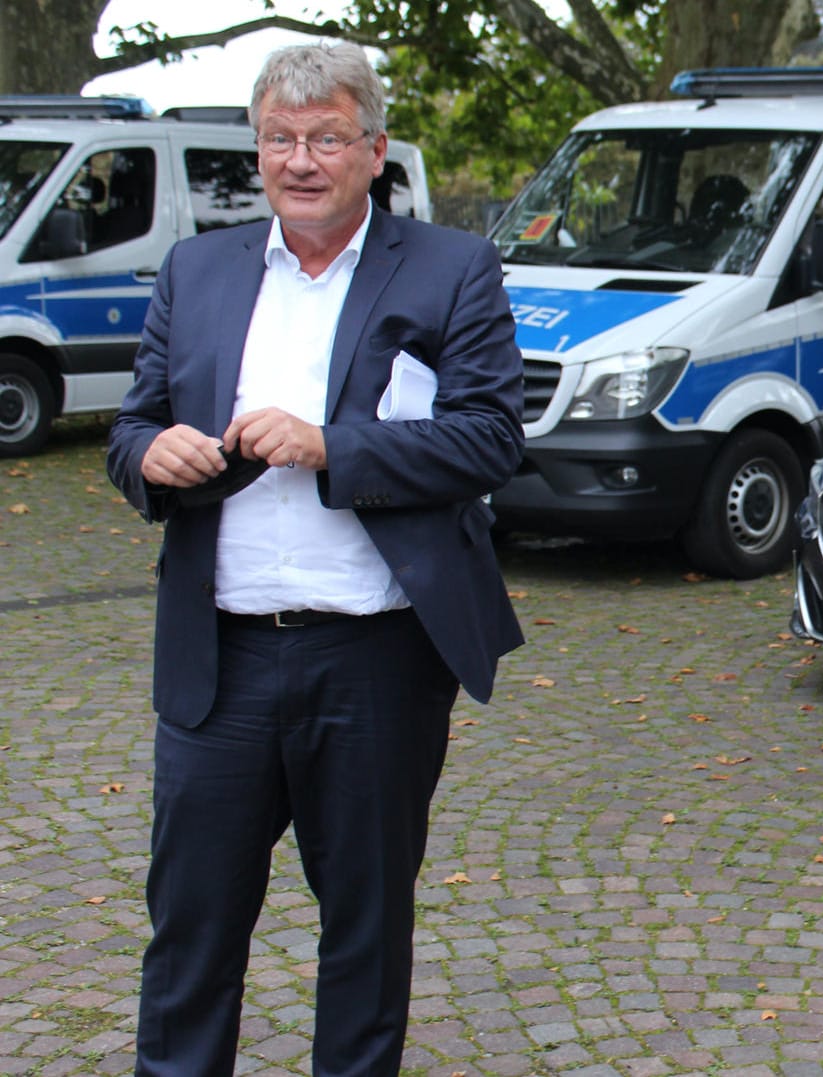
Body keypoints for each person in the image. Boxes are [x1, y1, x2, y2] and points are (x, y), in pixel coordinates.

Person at [104, 42, 525, 1077]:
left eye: (327, 137)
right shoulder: (198, 269)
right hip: (222, 662)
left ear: (373, 151)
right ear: (257, 150)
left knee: (366, 935)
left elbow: (491, 439)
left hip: (376, 661)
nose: (301, 159)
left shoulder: (451, 267)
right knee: (191, 932)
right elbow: (131, 428)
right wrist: (150, 456)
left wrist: (336, 445)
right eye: (280, 139)